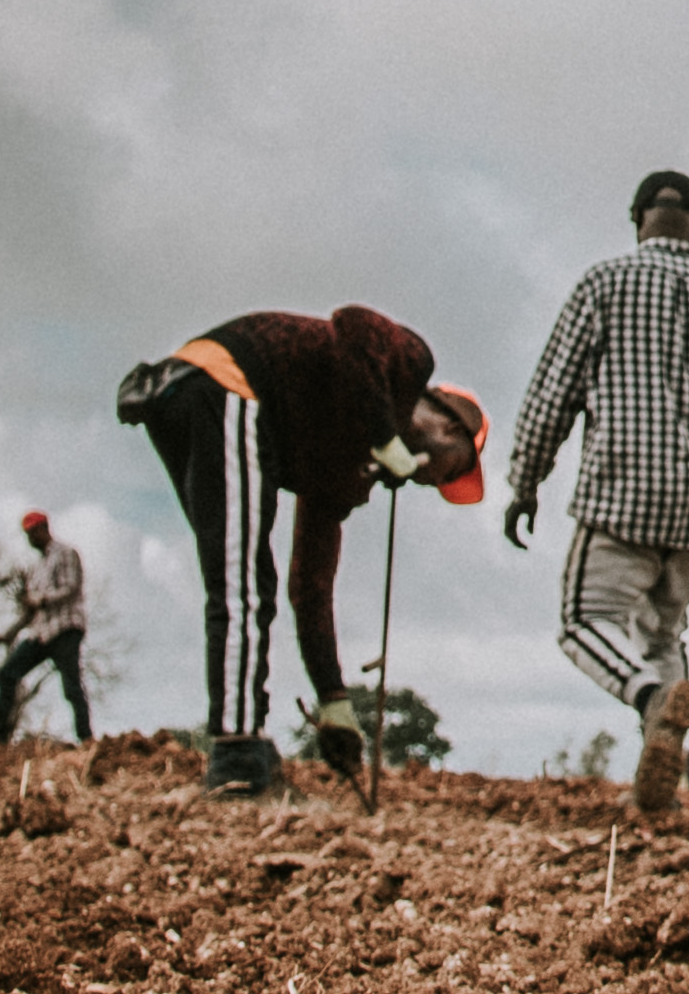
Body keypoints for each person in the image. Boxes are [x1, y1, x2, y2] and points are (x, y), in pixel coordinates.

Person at [506, 170, 689, 825]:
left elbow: (552, 396)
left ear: (636, 217)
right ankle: (656, 782)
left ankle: (646, 699)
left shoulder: (603, 285)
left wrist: (526, 483)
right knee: (664, 630)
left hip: (623, 489)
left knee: (584, 621)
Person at [120, 312, 483, 745]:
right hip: (229, 382)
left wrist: (333, 698)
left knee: (240, 577)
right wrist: (386, 436)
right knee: (243, 589)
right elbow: (353, 326)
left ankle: (239, 744)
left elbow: (311, 584)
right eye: (452, 469)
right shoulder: (409, 363)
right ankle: (238, 754)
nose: (433, 482)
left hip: (186, 400)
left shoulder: (344, 474)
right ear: (450, 424)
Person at [0, 508, 94, 745]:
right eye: (27, 534)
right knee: (6, 674)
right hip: (41, 633)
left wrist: (43, 600)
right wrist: (1, 637)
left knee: (71, 684)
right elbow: (28, 613)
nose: (30, 539)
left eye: (32, 533)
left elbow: (71, 586)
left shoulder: (66, 553)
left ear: (43, 529)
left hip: (65, 628)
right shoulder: (37, 569)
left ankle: (86, 738)